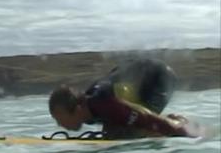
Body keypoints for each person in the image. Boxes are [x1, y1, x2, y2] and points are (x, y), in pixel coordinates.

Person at [48, 59, 204, 139]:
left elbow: (146, 118)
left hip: (158, 77)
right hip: (136, 77)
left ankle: (182, 122)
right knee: (122, 129)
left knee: (143, 130)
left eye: (60, 119)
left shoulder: (103, 103)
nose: (59, 125)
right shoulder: (89, 109)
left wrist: (193, 134)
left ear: (77, 109)